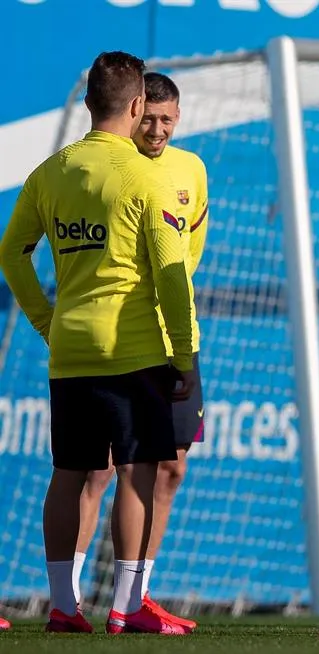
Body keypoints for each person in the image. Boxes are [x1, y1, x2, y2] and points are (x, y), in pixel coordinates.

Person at [0, 51, 196, 635]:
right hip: (134, 351)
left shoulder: (50, 172)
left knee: (69, 472)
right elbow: (170, 274)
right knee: (137, 472)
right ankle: (127, 606)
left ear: (89, 104)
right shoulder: (145, 176)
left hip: (71, 350)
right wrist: (183, 355)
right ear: (137, 106)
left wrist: (46, 321)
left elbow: (12, 254)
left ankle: (64, 607)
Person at [73, 71, 208, 634]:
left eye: (168, 120)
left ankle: (136, 596)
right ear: (132, 112)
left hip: (174, 338)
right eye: (149, 117)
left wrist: (176, 328)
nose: (157, 129)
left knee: (171, 469)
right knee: (98, 470)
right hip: (118, 341)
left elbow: (188, 253)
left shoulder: (191, 170)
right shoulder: (110, 168)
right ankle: (71, 598)